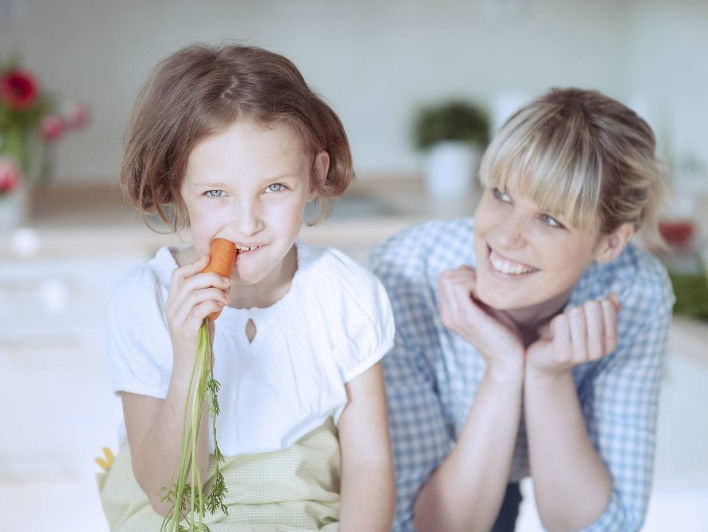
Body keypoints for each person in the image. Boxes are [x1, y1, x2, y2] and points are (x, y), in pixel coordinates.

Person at [98, 43, 395, 532]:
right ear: (177, 191)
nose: (247, 222)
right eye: (216, 193)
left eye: (274, 188)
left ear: (315, 177)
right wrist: (189, 357)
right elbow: (169, 498)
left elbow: (369, 466)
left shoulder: (346, 294)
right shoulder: (144, 302)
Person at [371, 88, 675, 532]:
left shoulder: (635, 293)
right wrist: (502, 366)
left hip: (518, 479)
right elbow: (417, 526)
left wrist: (548, 375)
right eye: (501, 194)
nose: (506, 237)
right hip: (441, 483)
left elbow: (605, 526)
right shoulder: (406, 272)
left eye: (550, 219)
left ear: (610, 243)